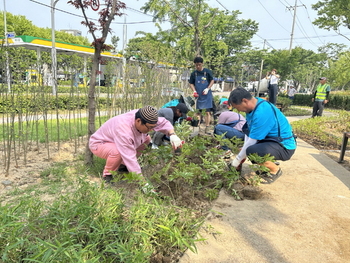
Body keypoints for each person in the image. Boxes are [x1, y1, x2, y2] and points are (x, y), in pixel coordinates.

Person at [89, 105, 184, 191]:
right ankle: (108, 175)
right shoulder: (124, 130)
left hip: (115, 140)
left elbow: (163, 122)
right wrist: (143, 183)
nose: (151, 130)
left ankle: (123, 166)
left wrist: (172, 134)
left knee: (147, 139)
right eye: (149, 127)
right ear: (138, 121)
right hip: (100, 143)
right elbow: (130, 158)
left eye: (153, 127)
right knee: (117, 152)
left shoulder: (145, 116)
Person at [228, 88, 296, 184]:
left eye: (237, 107)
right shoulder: (253, 106)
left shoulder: (262, 112)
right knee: (247, 149)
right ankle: (266, 166)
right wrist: (242, 152)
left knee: (252, 151)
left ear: (244, 101)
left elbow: (252, 141)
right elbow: (249, 132)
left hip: (284, 146)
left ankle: (275, 170)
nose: (237, 110)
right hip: (271, 141)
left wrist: (237, 160)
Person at [189, 57, 215, 134]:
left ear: (202, 64)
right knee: (198, 112)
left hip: (206, 95)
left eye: (199, 65)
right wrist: (194, 91)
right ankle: (198, 128)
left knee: (207, 112)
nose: (198, 67)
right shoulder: (194, 74)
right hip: (198, 95)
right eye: (196, 65)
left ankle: (207, 127)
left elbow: (212, 80)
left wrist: (208, 88)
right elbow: (191, 83)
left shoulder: (207, 72)